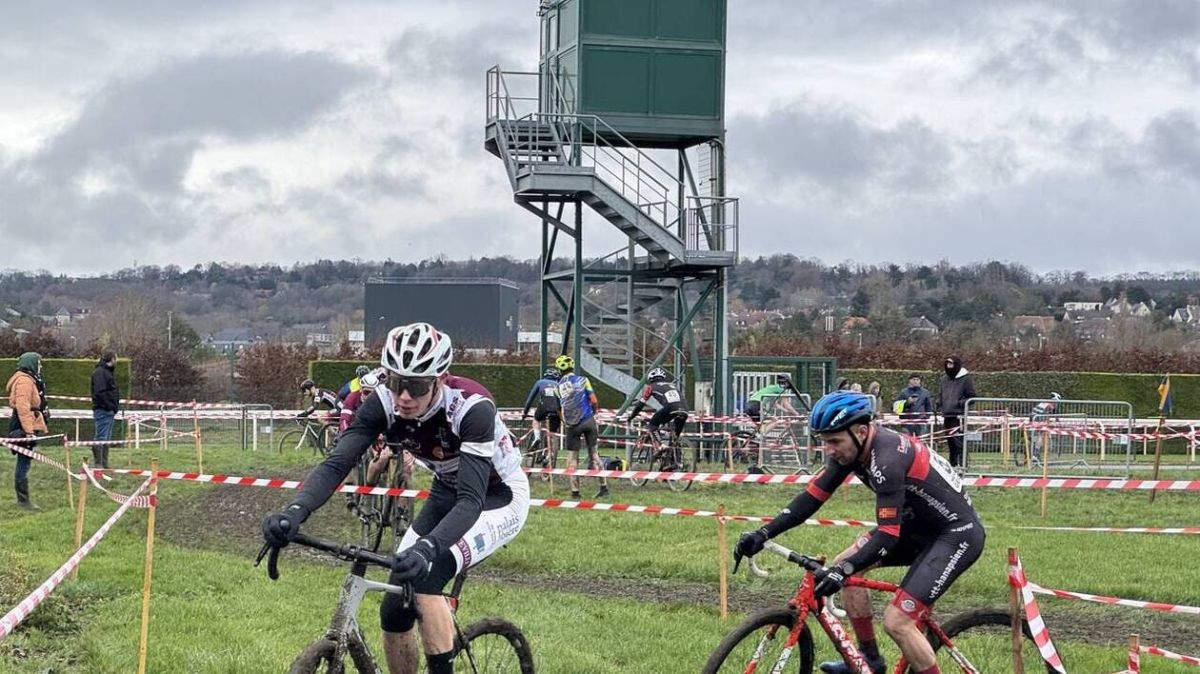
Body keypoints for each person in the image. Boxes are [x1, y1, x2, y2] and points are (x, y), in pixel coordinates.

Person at [262, 322, 529, 674]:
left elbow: (471, 501)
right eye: (396, 382)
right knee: (393, 606)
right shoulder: (383, 403)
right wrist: (295, 511)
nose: (404, 396)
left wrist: (428, 548)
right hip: (446, 489)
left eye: (416, 387)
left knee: (426, 580)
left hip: (497, 496)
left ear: (440, 379)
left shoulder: (471, 408)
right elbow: (337, 463)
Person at [735, 392, 985, 674]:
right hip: (917, 529)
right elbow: (810, 500)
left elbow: (887, 534)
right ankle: (869, 661)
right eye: (824, 441)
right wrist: (764, 533)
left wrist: (843, 570)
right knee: (847, 567)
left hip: (955, 535)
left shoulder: (887, 459)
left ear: (861, 431)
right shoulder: (853, 450)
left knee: (897, 621)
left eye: (834, 441)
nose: (828, 450)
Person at [554, 354, 608, 500]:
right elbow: (593, 399)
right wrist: (594, 411)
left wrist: (565, 421)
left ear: (559, 370)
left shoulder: (557, 388)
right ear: (572, 367)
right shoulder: (584, 380)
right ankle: (603, 487)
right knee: (595, 454)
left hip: (573, 425)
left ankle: (575, 492)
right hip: (589, 421)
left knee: (572, 458)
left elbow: (559, 409)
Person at [7, 352, 48, 510]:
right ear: (32, 364)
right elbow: (23, 407)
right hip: (23, 424)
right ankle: (23, 500)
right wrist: (29, 431)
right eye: (39, 363)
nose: (40, 366)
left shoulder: (30, 379)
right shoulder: (24, 381)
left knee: (25, 461)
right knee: (23, 462)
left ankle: (23, 499)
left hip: (26, 423)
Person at [625, 367, 689, 445]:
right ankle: (674, 450)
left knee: (652, 425)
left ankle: (661, 445)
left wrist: (631, 417)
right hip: (685, 409)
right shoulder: (672, 385)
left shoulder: (651, 387)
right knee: (675, 437)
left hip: (671, 408)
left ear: (651, 379)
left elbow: (640, 404)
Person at [937, 355, 977, 468]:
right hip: (947, 415)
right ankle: (953, 464)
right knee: (950, 441)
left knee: (958, 441)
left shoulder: (966, 379)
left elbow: (972, 397)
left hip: (959, 416)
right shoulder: (944, 379)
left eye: (951, 364)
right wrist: (939, 404)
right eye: (947, 364)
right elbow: (941, 394)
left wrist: (960, 403)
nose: (949, 367)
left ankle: (963, 464)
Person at [521, 367, 562, 457]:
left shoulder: (540, 382)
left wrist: (525, 412)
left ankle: (537, 437)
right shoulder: (559, 384)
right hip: (557, 410)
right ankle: (550, 453)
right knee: (553, 432)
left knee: (536, 419)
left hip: (543, 407)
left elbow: (530, 399)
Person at [90, 350, 119, 469]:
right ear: (112, 359)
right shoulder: (100, 373)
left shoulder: (106, 372)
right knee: (101, 437)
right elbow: (99, 393)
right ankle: (98, 464)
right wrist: (109, 406)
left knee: (106, 438)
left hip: (109, 411)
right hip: (103, 410)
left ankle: (104, 463)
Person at [893, 374, 932, 438]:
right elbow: (896, 407)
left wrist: (926, 417)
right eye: (914, 379)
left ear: (920, 381)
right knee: (907, 442)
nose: (915, 381)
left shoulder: (925, 392)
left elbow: (929, 406)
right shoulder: (903, 392)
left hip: (921, 422)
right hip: (906, 422)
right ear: (909, 381)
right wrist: (907, 402)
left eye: (917, 380)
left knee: (921, 442)